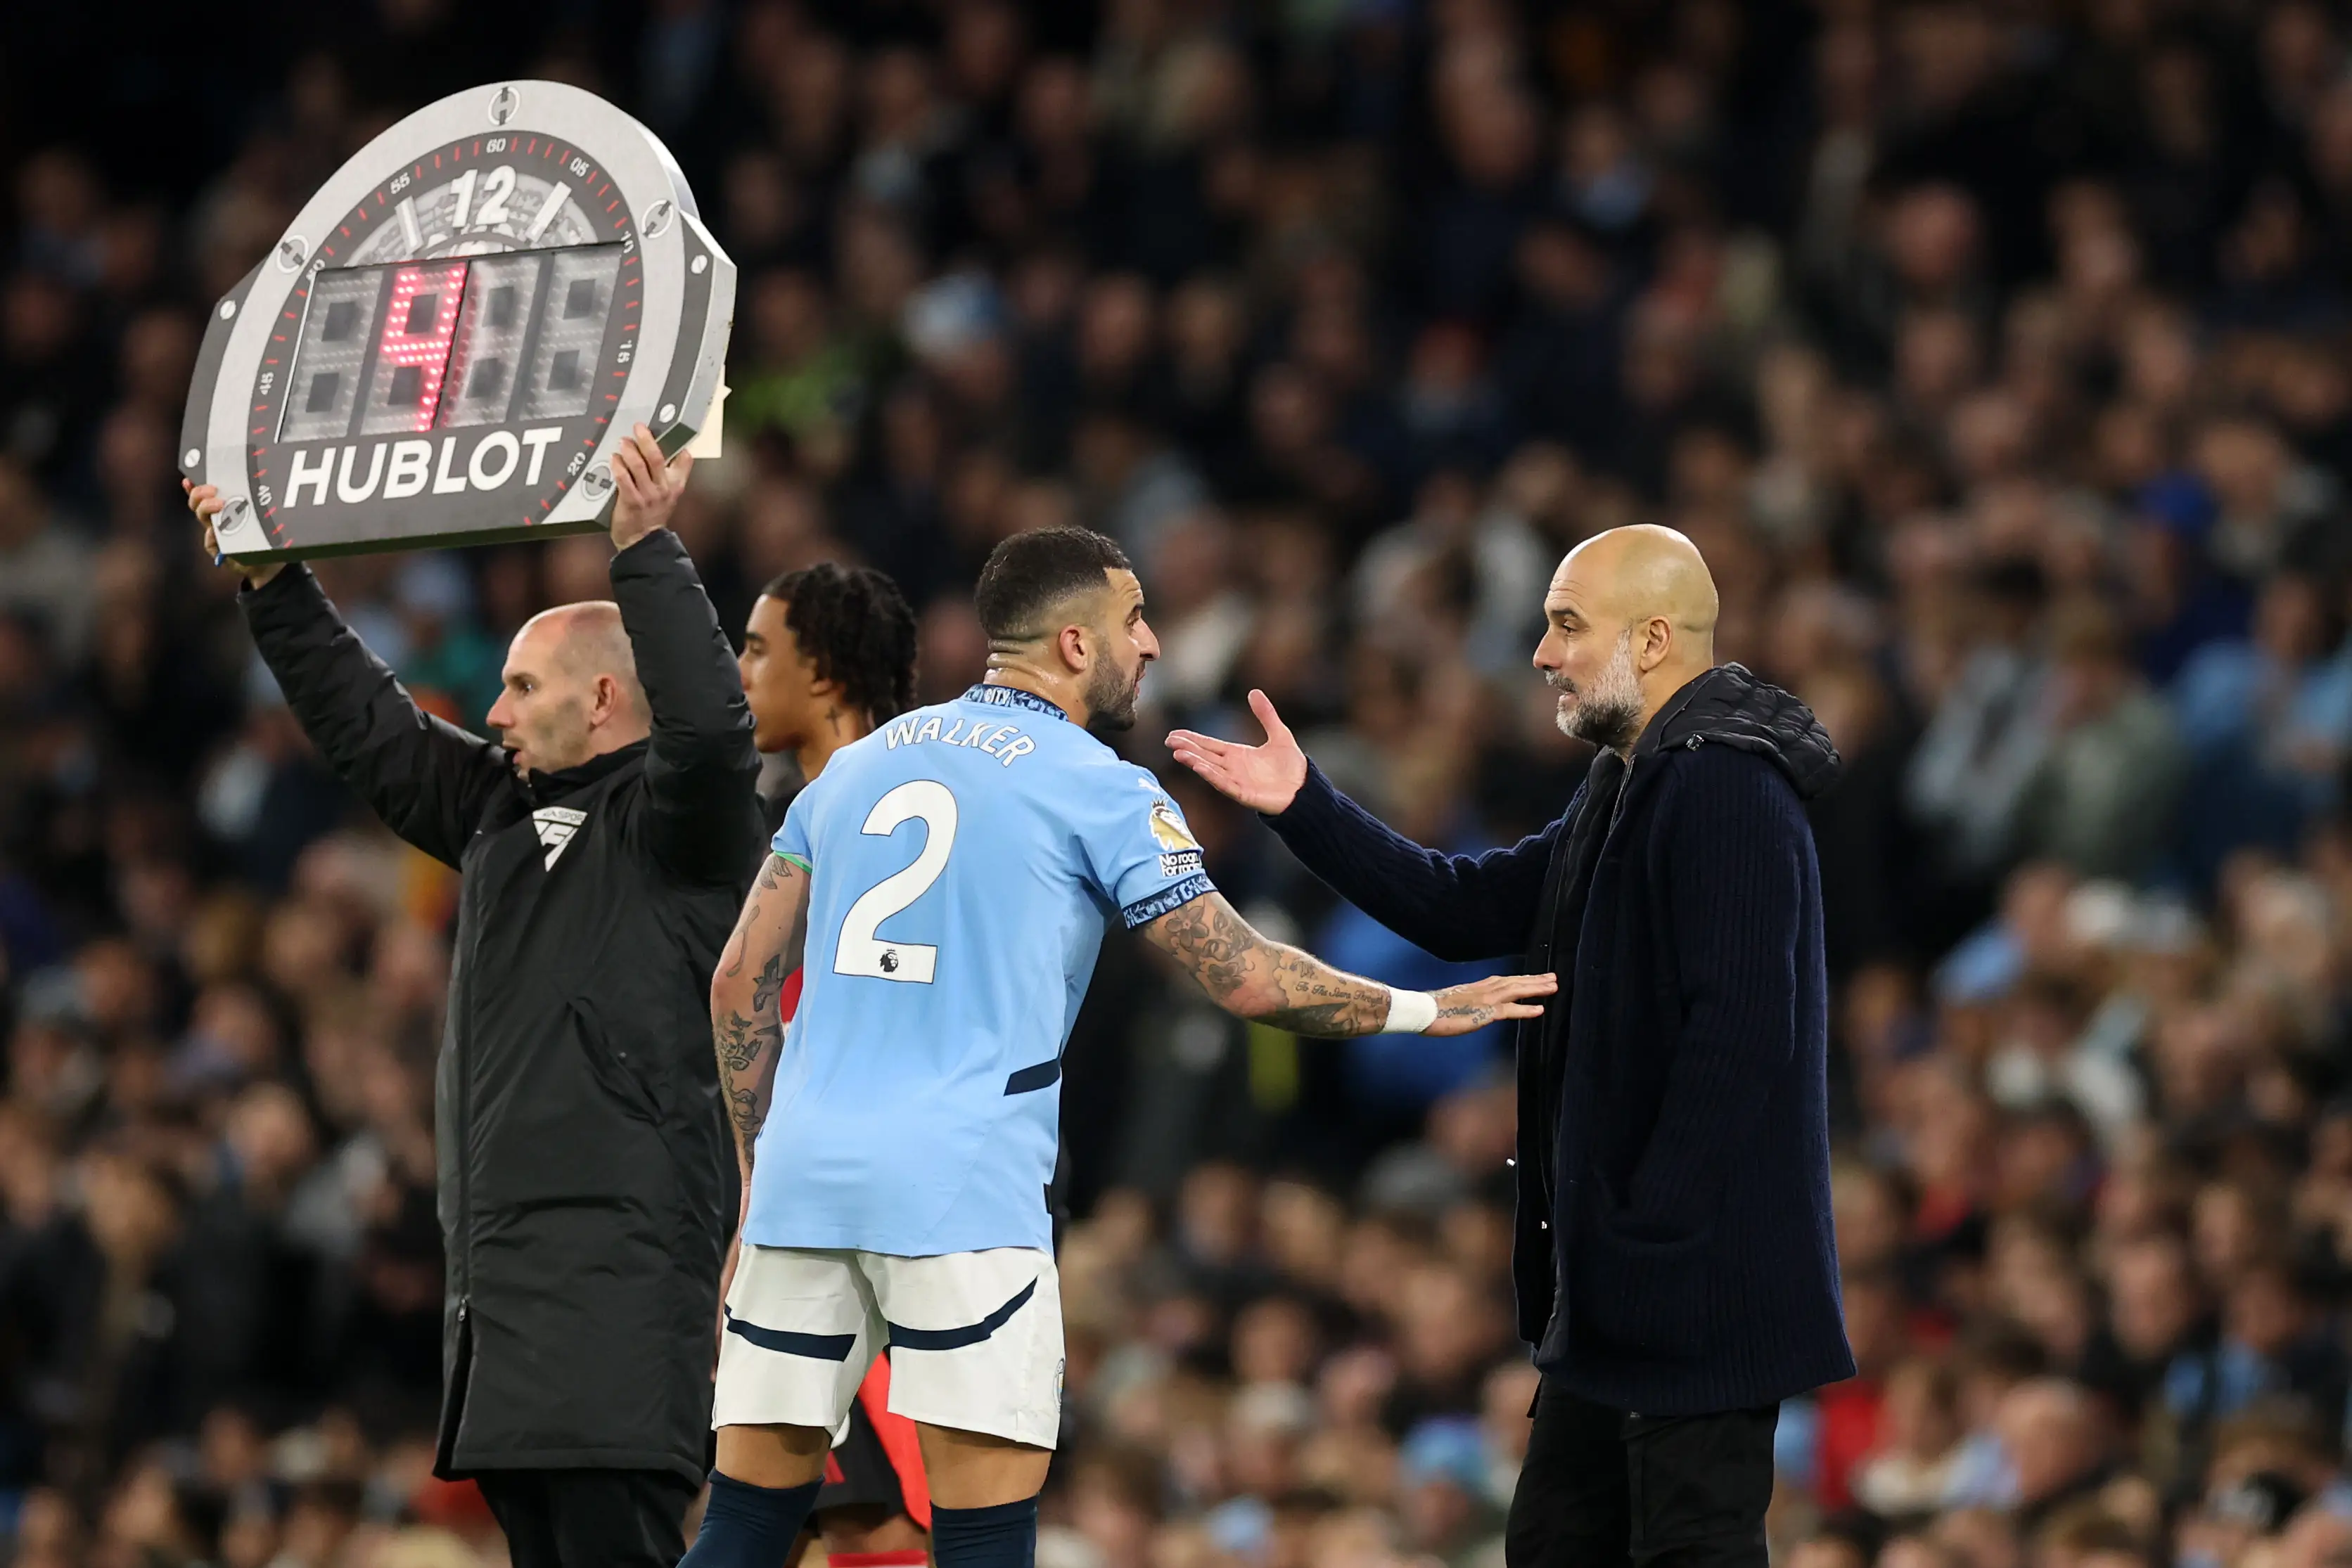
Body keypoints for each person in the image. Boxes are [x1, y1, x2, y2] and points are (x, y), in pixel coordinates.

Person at [684, 526, 1556, 1568]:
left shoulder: (859, 765)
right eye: (1133, 618)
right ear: (1070, 641)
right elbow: (1246, 976)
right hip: (964, 1194)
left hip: (805, 1181)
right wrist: (1426, 1008)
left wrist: (755, 1173)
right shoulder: (1099, 786)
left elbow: (739, 979)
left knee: (742, 1527)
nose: (1150, 643)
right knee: (982, 1540)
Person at [1167, 524, 1855, 1568]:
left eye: (1568, 624)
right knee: (1553, 1543)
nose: (1541, 652)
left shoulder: (1728, 788)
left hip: (1692, 1283)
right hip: (1622, 1283)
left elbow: (1742, 1041)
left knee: (1693, 1547)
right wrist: (1306, 807)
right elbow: (1464, 905)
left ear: (1658, 637)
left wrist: (1644, 1230)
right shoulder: (1632, 777)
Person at [183, 426, 763, 1568]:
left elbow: (710, 732)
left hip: (619, 1292)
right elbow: (372, 730)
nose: (493, 711)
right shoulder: (498, 814)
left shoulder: (683, 832)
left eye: (520, 685)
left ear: (603, 699)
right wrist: (272, 579)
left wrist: (645, 551)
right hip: (502, 1303)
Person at [734, 563, 933, 1568]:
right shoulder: (785, 814)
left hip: (876, 1218)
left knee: (877, 1516)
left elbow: (743, 989)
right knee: (814, 1514)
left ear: (824, 674)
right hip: (822, 1210)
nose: (741, 669)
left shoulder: (889, 810)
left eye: (759, 648)